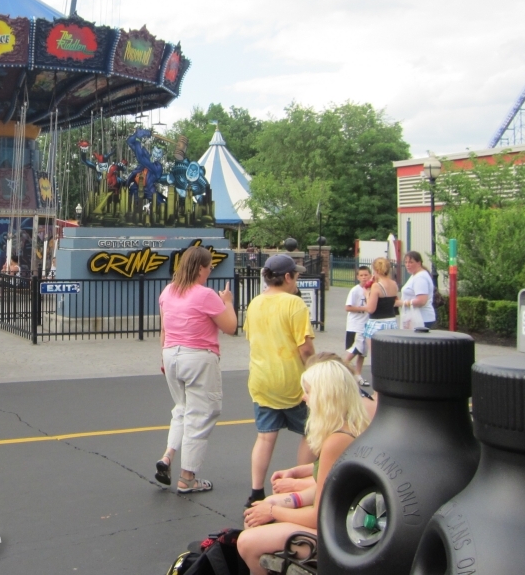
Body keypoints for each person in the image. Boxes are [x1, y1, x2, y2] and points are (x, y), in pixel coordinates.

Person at [238, 360, 371, 574]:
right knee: (259, 517)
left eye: (308, 392)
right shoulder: (353, 427)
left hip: (337, 538)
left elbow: (318, 516)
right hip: (348, 527)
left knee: (247, 541)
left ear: (325, 397)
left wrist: (272, 510)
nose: (303, 398)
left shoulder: (335, 441)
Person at [154, 246, 237, 494]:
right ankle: (187, 477)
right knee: (201, 415)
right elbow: (231, 326)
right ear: (200, 268)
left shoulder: (168, 291)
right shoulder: (205, 294)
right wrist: (228, 303)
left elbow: (164, 330)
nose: (210, 270)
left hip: (171, 355)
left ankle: (168, 456)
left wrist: (164, 358)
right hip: (198, 357)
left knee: (182, 408)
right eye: (209, 266)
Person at [243, 254, 316, 509]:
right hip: (292, 382)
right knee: (310, 432)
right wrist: (316, 372)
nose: (297, 279)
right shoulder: (294, 305)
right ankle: (296, 485)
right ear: (287, 277)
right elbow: (305, 348)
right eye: (295, 275)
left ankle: (255, 492)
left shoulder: (254, 303)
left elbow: (251, 338)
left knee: (265, 437)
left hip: (262, 380)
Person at [363, 257, 399, 359]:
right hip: (391, 321)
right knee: (390, 356)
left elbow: (370, 309)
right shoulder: (394, 284)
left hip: (377, 323)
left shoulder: (377, 286)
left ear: (377, 270)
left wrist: (367, 294)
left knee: (377, 356)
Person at [343, 266, 373, 385]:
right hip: (356, 325)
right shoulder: (355, 290)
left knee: (363, 352)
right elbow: (348, 307)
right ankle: (341, 368)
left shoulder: (371, 290)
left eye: (366, 275)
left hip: (366, 324)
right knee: (355, 349)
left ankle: (358, 375)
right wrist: (364, 308)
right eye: (361, 275)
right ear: (357, 277)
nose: (364, 277)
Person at [399, 251, 435, 329]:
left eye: (411, 262)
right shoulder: (415, 275)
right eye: (406, 262)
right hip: (415, 317)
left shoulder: (420, 278)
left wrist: (403, 303)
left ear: (419, 263)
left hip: (422, 318)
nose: (407, 265)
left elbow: (422, 301)